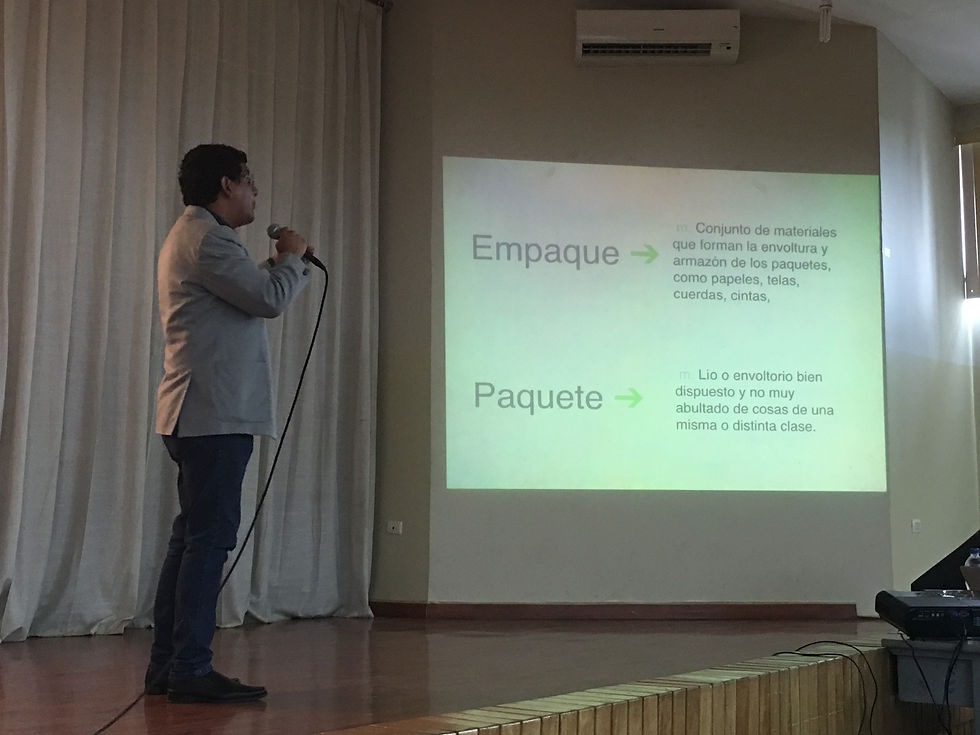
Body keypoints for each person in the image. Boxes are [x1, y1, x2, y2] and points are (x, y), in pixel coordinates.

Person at [146, 144, 312, 703]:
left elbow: (241, 291)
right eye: (249, 181)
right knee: (208, 541)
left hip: (198, 412)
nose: (255, 192)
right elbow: (267, 300)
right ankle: (189, 668)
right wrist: (292, 258)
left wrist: (280, 265)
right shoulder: (210, 238)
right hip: (212, 415)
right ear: (226, 184)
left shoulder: (197, 236)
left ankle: (169, 666)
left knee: (192, 540)